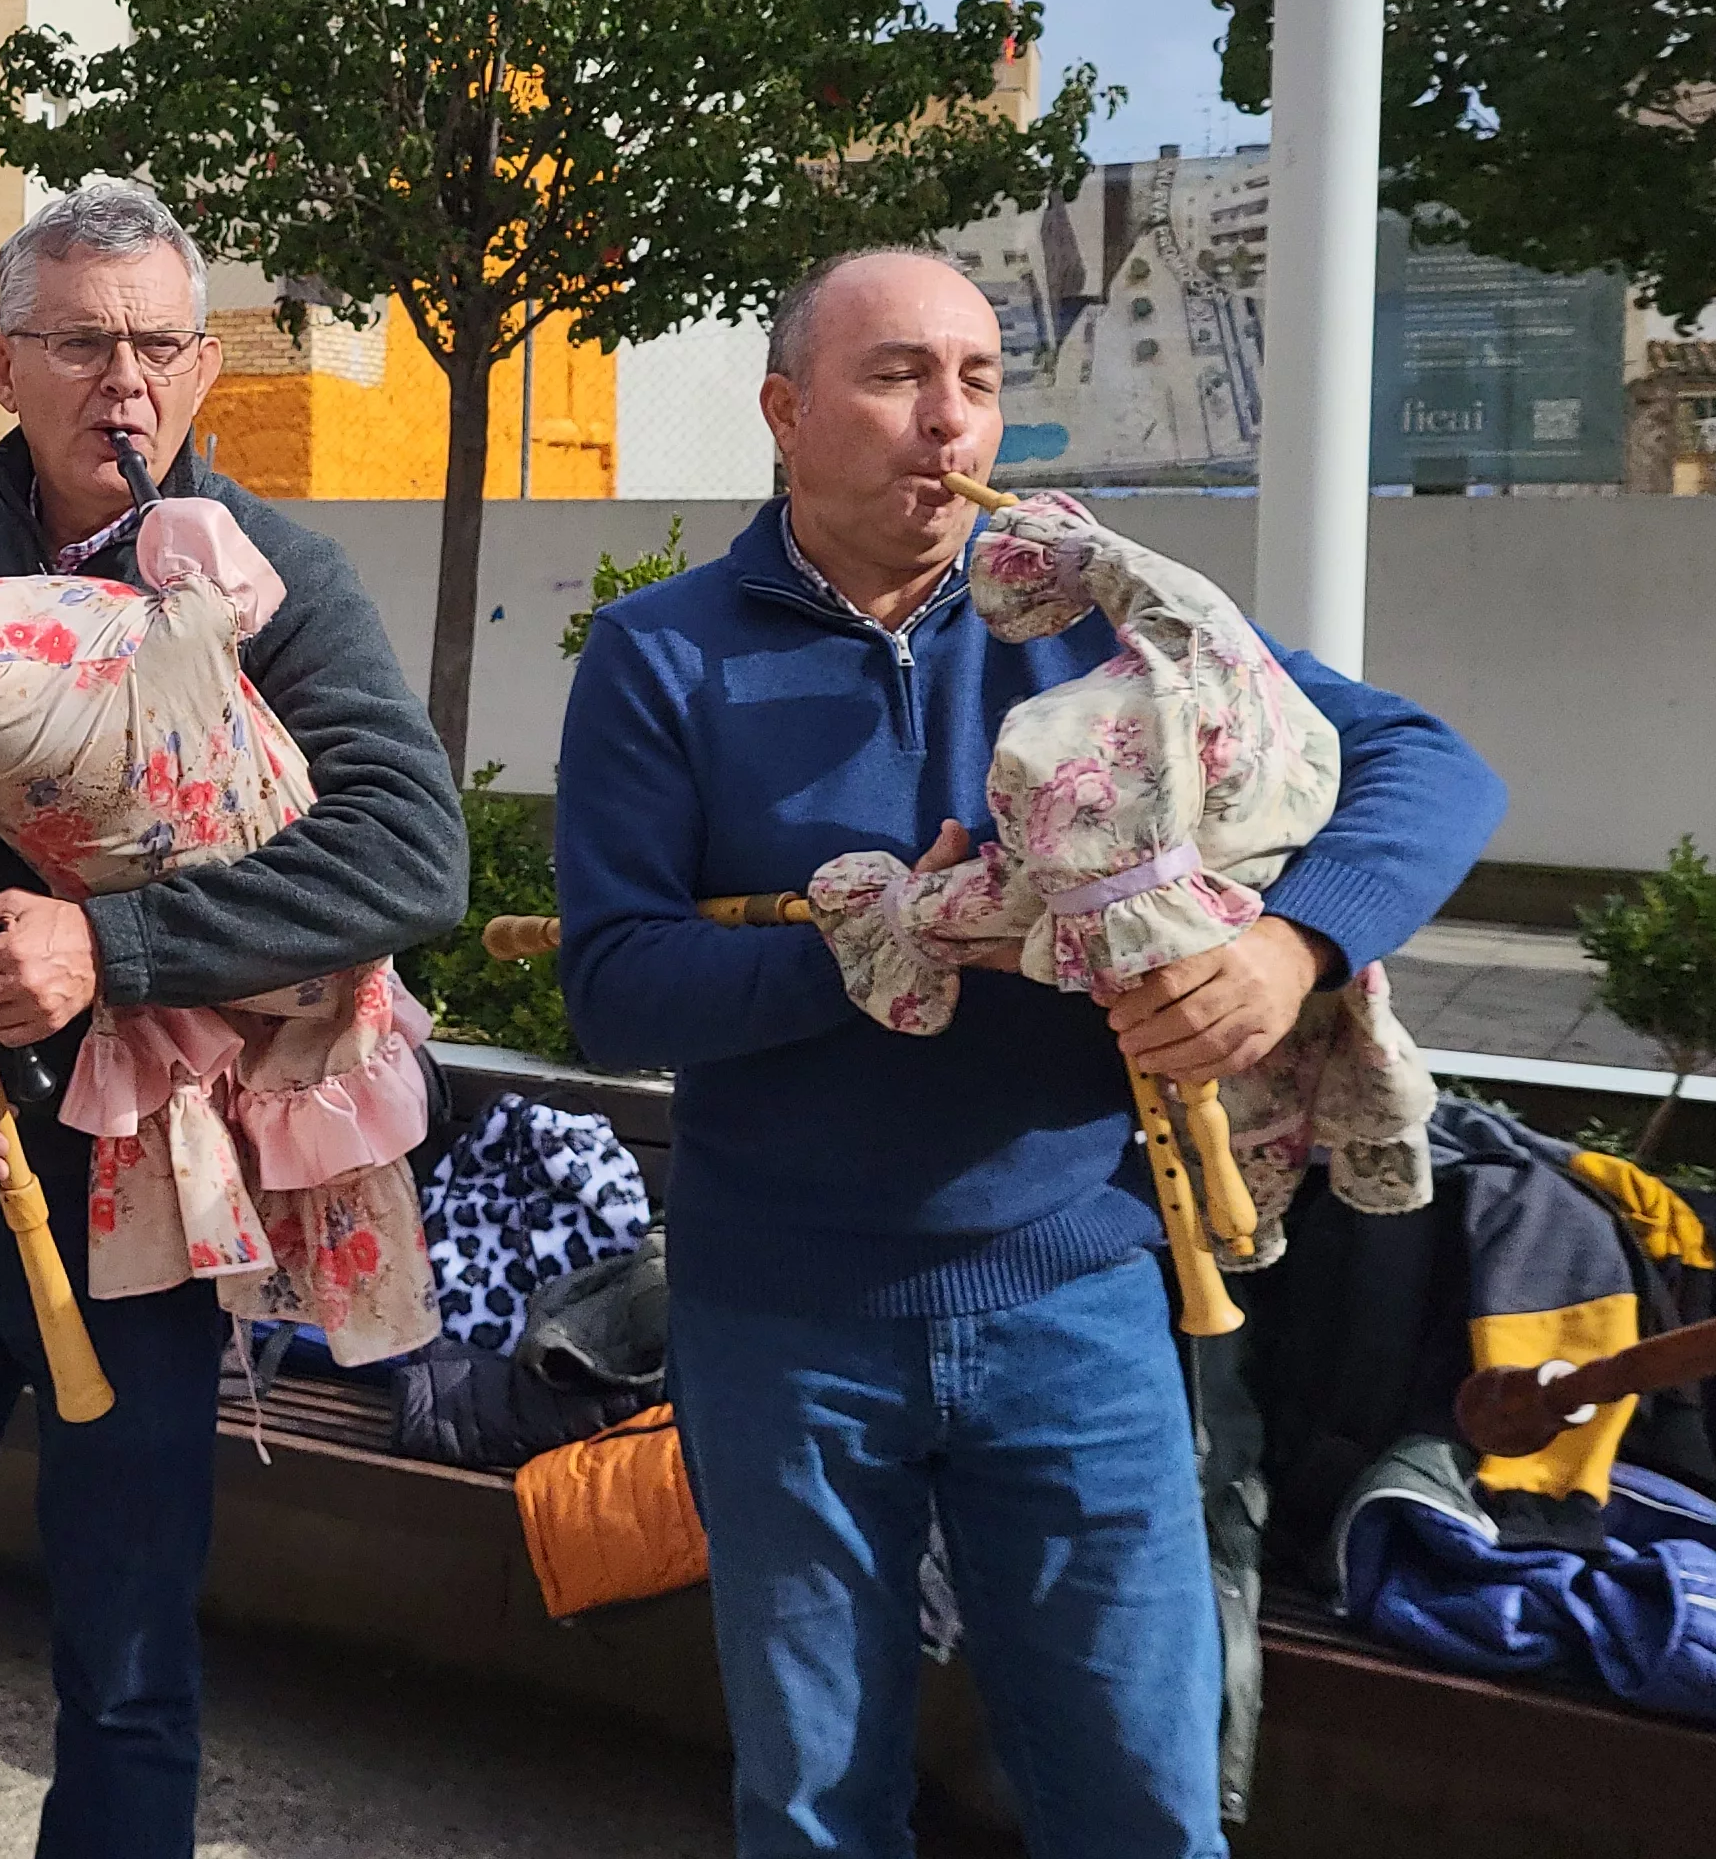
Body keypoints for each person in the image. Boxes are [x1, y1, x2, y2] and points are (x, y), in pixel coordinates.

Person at [550, 248, 1506, 1858]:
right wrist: (876, 952)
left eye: (980, 380)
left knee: (1140, 1800)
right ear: (785, 412)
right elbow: (618, 987)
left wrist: (1290, 950)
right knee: (816, 1813)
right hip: (781, 1321)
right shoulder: (664, 655)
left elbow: (1430, 763)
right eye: (896, 377)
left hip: (1081, 1299)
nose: (951, 420)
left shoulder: (1104, 616)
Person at [0, 180, 467, 1858]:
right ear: (4, 366)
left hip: (144, 1193)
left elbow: (409, 852)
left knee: (132, 1673)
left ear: (204, 364)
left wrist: (112, 947)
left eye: (155, 345)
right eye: (78, 343)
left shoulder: (275, 577)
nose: (123, 383)